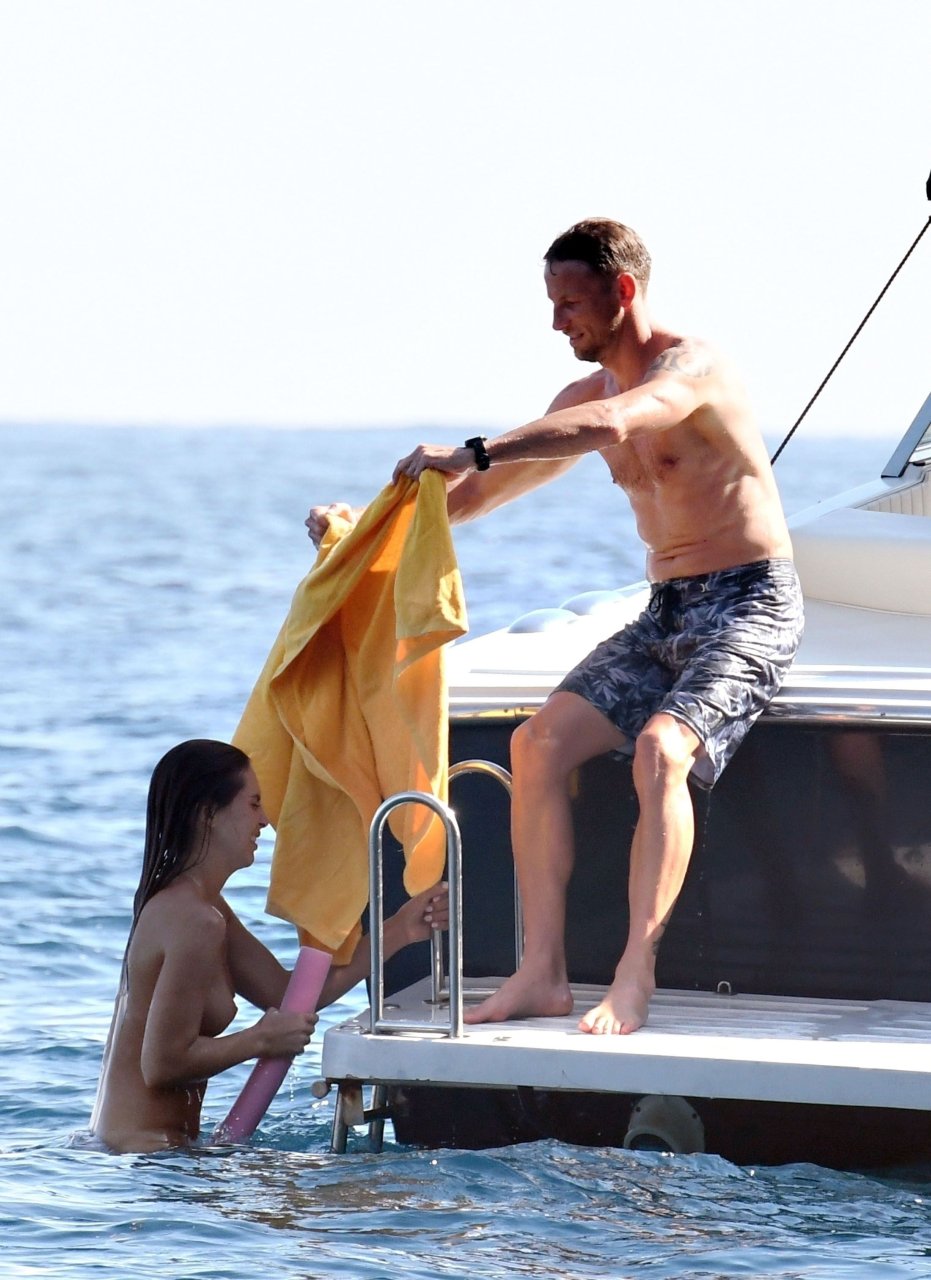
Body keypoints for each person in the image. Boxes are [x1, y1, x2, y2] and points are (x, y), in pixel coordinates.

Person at [307, 219, 803, 1036]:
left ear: (623, 291)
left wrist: (474, 447)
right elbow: (475, 497)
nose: (555, 322)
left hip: (749, 602)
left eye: (569, 303)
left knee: (659, 750)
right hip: (665, 609)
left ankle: (634, 973)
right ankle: (541, 973)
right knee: (533, 745)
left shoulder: (691, 369)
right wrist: (358, 528)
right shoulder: (578, 399)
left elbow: (619, 423)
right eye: (551, 303)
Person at [90, 739, 448, 1152]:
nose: (264, 819)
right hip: (146, 1156)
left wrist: (399, 930)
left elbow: (285, 996)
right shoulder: (194, 919)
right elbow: (161, 1065)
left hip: (153, 1153)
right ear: (208, 814)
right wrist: (260, 1040)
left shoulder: (202, 908)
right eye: (254, 804)